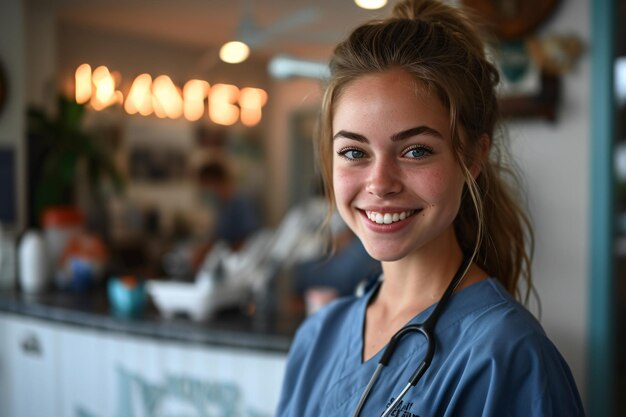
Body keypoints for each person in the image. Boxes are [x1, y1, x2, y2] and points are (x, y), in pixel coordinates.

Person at [276, 1, 585, 416]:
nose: (380, 183)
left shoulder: (506, 356)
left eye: (416, 150)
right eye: (354, 151)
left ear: (473, 157)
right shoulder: (318, 337)